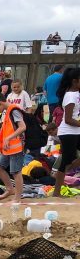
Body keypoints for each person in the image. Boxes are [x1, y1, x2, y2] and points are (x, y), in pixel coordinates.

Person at [0, 91, 26, 202]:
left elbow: (22, 127)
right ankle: (10, 189)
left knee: (16, 172)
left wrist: (8, 138)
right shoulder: (7, 111)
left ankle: (18, 197)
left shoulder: (13, 110)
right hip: (8, 148)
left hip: (16, 147)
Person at [52, 68, 80, 197]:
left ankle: (60, 174)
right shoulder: (70, 95)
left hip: (76, 131)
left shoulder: (76, 93)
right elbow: (68, 119)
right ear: (75, 81)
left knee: (68, 161)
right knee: (66, 161)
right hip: (68, 132)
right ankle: (57, 191)